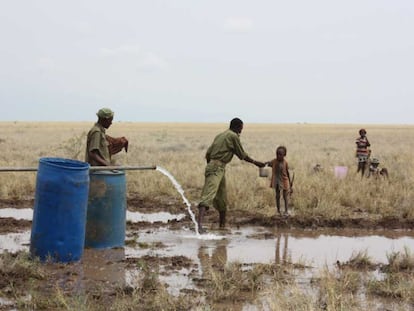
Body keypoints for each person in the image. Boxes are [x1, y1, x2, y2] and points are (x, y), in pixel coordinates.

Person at [197, 118, 265, 233]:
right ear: (237, 127)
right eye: (241, 129)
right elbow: (242, 154)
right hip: (216, 168)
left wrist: (211, 165)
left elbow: (208, 153)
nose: (241, 131)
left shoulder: (220, 135)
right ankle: (198, 227)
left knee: (222, 198)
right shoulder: (233, 136)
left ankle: (222, 226)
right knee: (208, 196)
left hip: (218, 168)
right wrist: (256, 163)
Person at [265, 146, 292, 216]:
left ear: (284, 155)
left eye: (280, 154)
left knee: (285, 196)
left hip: (284, 180)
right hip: (276, 180)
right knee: (277, 195)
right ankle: (278, 210)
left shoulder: (285, 163)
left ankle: (286, 211)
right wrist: (263, 164)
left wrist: (290, 183)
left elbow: (287, 172)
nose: (278, 156)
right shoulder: (274, 161)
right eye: (277, 154)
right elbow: (268, 163)